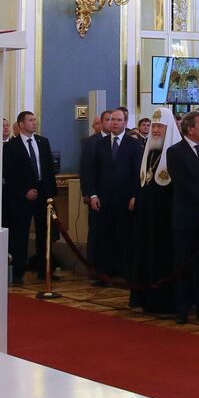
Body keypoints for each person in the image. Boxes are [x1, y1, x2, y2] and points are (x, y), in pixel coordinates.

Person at [166, 111, 199, 324]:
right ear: (190, 129)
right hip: (186, 218)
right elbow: (182, 183)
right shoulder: (175, 152)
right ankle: (183, 308)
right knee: (184, 264)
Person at [130, 108, 178, 314]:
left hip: (166, 218)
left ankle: (163, 301)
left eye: (160, 126)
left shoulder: (175, 152)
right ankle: (143, 298)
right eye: (154, 126)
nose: (155, 130)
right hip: (146, 216)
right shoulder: (148, 150)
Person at [85, 107, 142, 278]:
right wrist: (92, 195)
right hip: (104, 200)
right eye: (112, 120)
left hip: (125, 200)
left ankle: (125, 272)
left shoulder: (134, 144)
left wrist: (135, 195)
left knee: (124, 237)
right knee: (104, 237)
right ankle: (105, 273)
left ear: (125, 122)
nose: (115, 123)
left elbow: (138, 172)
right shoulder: (100, 144)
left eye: (118, 120)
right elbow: (92, 172)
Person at [3, 111, 57, 284]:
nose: (34, 123)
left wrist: (50, 193)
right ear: (20, 124)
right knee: (21, 234)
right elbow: (10, 173)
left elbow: (49, 169)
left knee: (44, 233)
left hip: (43, 193)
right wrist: (24, 191)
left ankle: (44, 270)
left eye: (35, 120)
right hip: (22, 196)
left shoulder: (43, 142)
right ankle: (18, 272)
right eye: (30, 120)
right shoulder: (12, 146)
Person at [79, 109, 115, 278]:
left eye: (113, 119)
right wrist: (88, 193)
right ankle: (93, 266)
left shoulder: (123, 141)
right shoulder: (91, 142)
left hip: (115, 197)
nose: (111, 123)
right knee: (95, 232)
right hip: (96, 195)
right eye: (107, 119)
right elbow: (86, 169)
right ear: (100, 123)